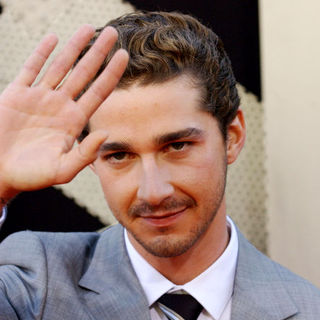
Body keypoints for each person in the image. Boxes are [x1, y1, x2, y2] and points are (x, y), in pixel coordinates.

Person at [0, 11, 319, 320]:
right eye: (119, 156)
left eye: (177, 146)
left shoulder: (309, 310)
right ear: (91, 159)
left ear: (232, 138)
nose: (153, 192)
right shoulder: (37, 281)